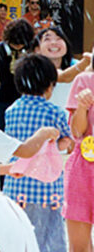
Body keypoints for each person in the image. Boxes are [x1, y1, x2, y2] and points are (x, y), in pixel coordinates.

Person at [3, 54, 73, 252]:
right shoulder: (54, 112)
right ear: (49, 86)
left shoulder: (11, 111)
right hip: (46, 187)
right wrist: (60, 144)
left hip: (16, 184)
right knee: (48, 239)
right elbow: (66, 142)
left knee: (20, 239)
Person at [0, 18, 35, 130]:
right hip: (4, 95)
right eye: (15, 44)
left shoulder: (31, 48)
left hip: (25, 95)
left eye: (20, 44)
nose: (17, 46)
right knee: (0, 128)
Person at [63, 72, 94, 251]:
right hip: (84, 168)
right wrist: (82, 107)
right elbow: (76, 132)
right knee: (79, 248)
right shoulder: (84, 80)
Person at [34, 26, 90, 110]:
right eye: (47, 39)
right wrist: (86, 61)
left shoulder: (76, 64)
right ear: (37, 49)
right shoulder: (35, 68)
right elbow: (63, 77)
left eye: (59, 38)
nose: (53, 42)